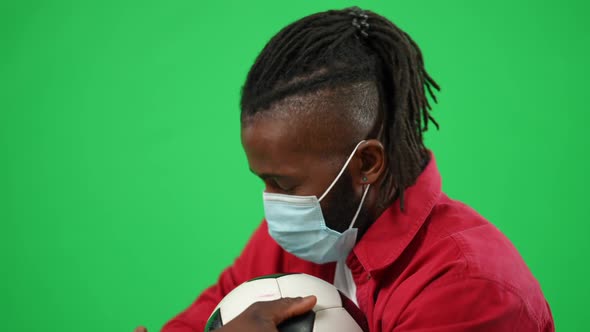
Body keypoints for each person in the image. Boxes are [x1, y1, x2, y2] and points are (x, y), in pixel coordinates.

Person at [139, 6, 555, 332]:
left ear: (367, 164)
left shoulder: (470, 288)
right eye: (263, 180)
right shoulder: (294, 240)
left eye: (282, 182)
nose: (272, 203)